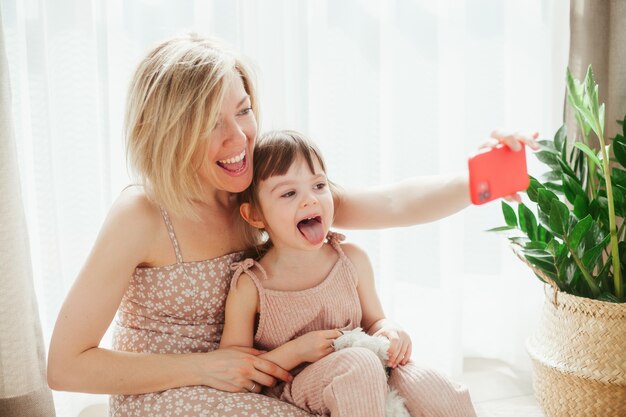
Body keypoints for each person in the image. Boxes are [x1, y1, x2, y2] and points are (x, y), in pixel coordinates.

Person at [46, 33, 538, 417]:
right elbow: (66, 365)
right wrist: (202, 367)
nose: (239, 137)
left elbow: (391, 202)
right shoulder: (143, 214)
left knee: (398, 392)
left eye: (243, 110)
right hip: (168, 393)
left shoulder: (261, 189)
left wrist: (490, 173)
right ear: (170, 133)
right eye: (211, 124)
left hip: (269, 379)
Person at [219, 129, 477, 417]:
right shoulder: (251, 285)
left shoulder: (351, 259)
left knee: (433, 387)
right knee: (359, 363)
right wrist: (298, 351)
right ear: (255, 215)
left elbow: (374, 321)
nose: (310, 200)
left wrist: (390, 330)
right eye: (289, 193)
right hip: (300, 384)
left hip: (368, 366)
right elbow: (236, 368)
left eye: (319, 186)